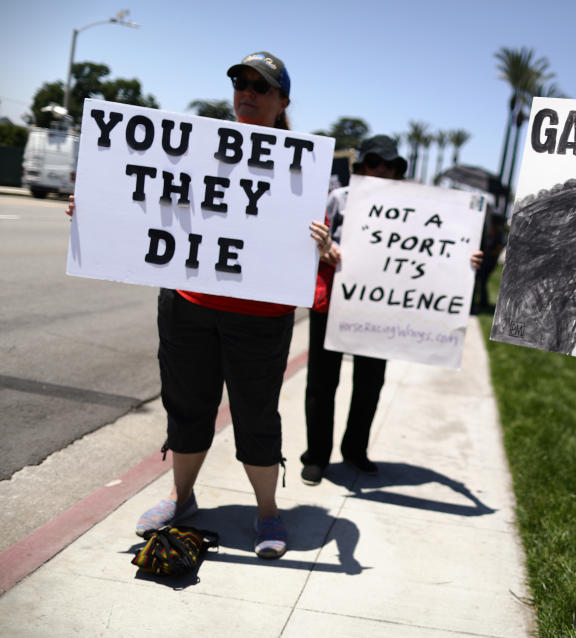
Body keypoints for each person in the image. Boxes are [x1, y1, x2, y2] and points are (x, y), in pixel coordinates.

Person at [73, 51, 302, 560]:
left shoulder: (300, 166)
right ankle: (180, 495)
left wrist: (320, 241)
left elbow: (310, 243)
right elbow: (145, 199)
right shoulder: (199, 151)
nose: (247, 91)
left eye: (261, 86)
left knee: (256, 414)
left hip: (260, 318)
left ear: (282, 100)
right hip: (189, 304)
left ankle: (266, 510)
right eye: (240, 82)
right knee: (188, 405)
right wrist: (92, 210)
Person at [303, 136, 483, 485]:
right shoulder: (339, 198)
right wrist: (327, 247)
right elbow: (313, 235)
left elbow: (434, 249)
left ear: (398, 171)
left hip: (381, 308)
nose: (381, 170)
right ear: (361, 167)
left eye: (389, 165)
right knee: (322, 383)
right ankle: (316, 456)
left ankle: (355, 450)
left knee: (370, 384)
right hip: (335, 302)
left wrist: (466, 259)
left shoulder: (414, 205)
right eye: (374, 163)